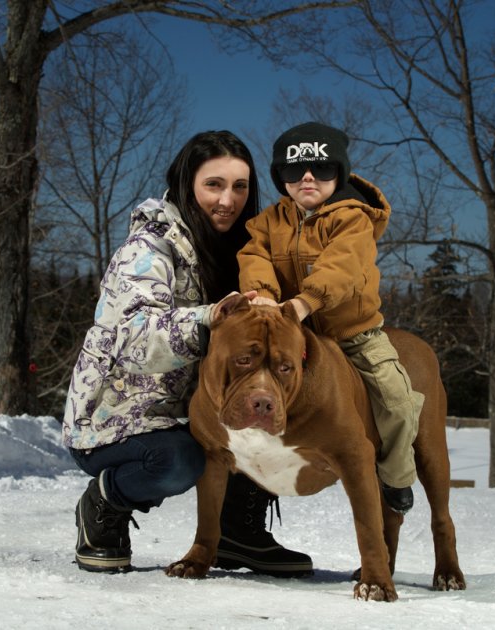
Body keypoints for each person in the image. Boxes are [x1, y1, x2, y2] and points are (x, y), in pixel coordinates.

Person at [62, 130, 312, 577]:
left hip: (191, 413)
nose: (227, 199)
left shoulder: (244, 252)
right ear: (185, 183)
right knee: (180, 461)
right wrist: (206, 319)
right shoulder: (148, 249)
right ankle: (104, 503)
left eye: (240, 187)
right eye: (213, 184)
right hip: (118, 421)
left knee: (268, 400)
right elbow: (135, 339)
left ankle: (237, 532)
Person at [238, 122, 425, 514]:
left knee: (398, 400)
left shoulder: (353, 218)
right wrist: (266, 298)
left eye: (320, 169)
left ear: (338, 173)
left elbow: (343, 265)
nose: (307, 178)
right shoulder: (270, 221)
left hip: (351, 333)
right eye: (294, 171)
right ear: (280, 177)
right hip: (292, 335)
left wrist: (307, 301)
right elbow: (254, 255)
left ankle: (395, 474)